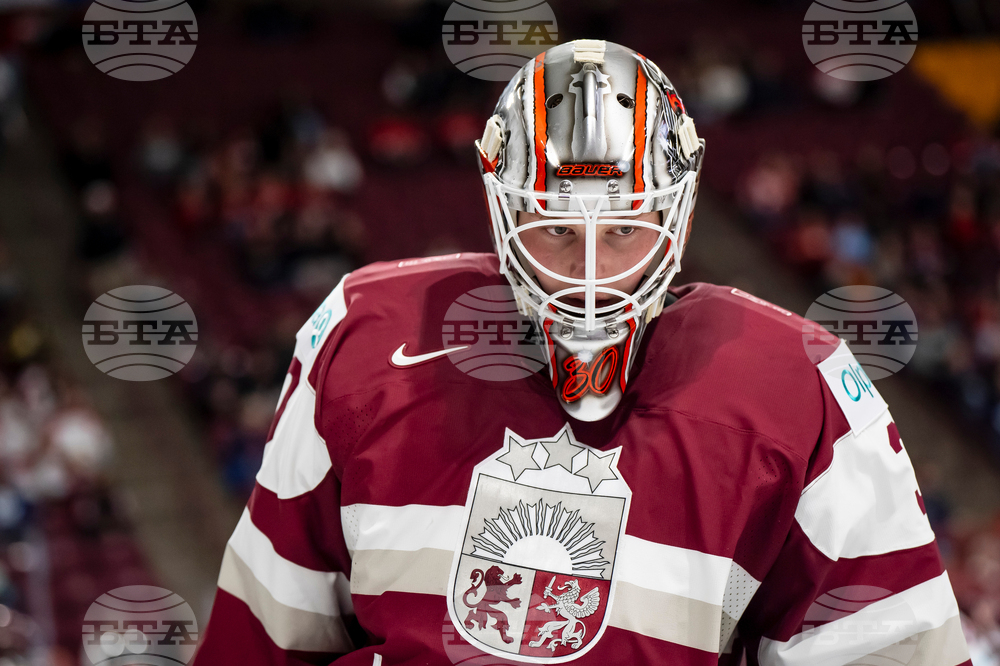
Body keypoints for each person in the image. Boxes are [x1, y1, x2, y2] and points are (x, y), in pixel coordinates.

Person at [191, 40, 971, 666]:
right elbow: (261, 636)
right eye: (558, 230)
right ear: (501, 209)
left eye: (624, 230)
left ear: (680, 215)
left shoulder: (802, 391)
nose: (591, 276)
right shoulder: (365, 336)